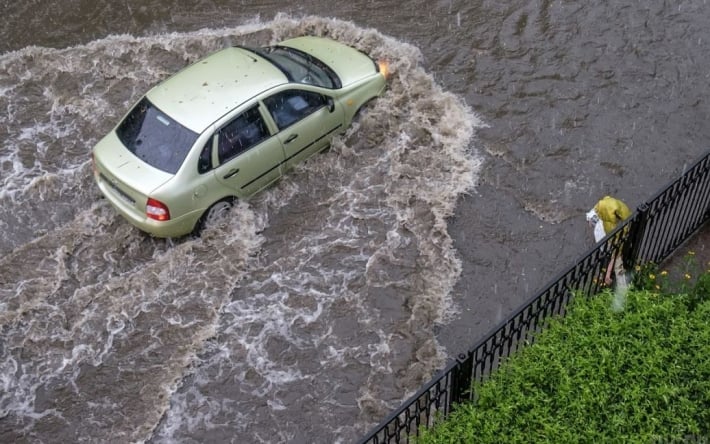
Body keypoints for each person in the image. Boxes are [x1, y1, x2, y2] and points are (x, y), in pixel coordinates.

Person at [586, 196, 632, 286]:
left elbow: (615, 252)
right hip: (610, 238)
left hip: (614, 241)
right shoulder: (608, 205)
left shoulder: (618, 228)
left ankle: (621, 286)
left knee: (617, 262)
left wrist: (608, 273)